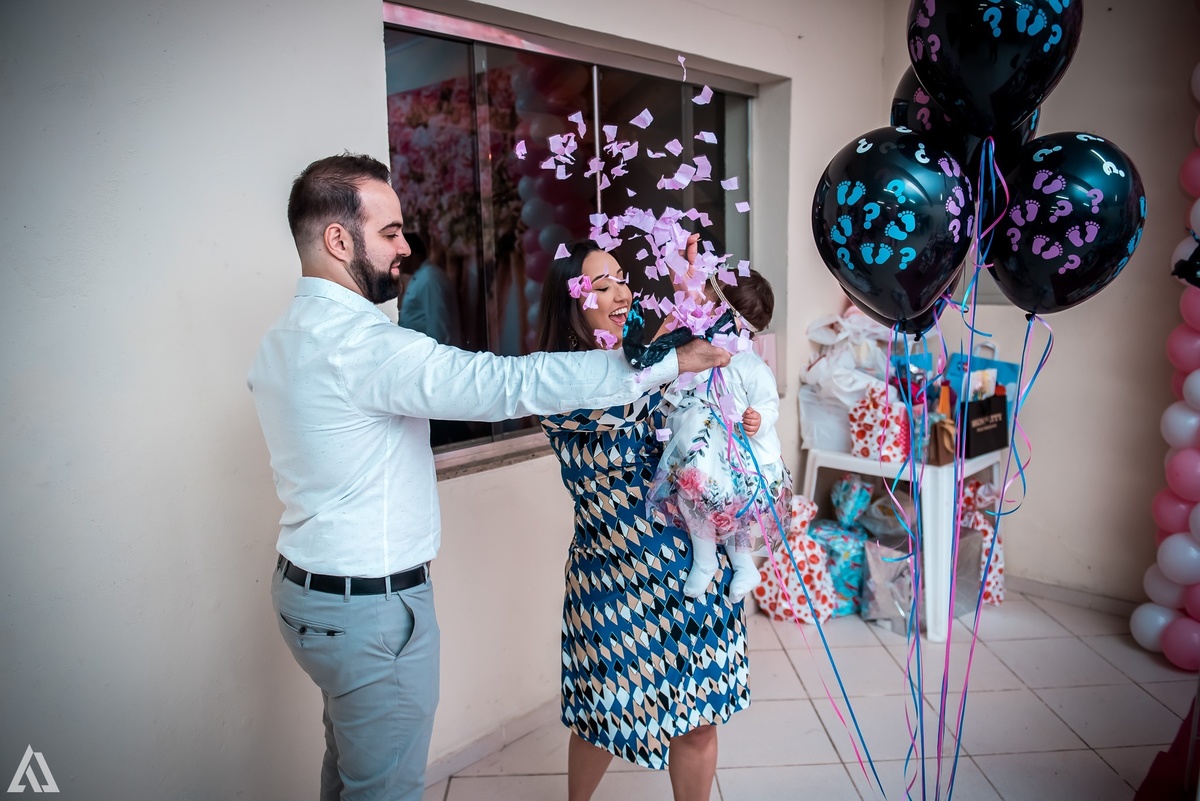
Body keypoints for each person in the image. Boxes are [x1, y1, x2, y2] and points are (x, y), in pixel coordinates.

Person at [246, 153, 730, 801]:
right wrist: (666, 364)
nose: (406, 247)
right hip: (369, 608)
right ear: (338, 239)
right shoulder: (363, 346)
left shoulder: (283, 338)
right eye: (390, 232)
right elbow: (503, 383)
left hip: (308, 595)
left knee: (349, 770)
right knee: (382, 789)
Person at [534, 241, 750, 801]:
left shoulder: (644, 359)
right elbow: (626, 395)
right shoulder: (557, 382)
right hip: (612, 577)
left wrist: (689, 295)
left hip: (691, 567)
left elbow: (698, 361)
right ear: (570, 303)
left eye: (621, 279)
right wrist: (676, 343)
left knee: (700, 718)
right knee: (602, 715)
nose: (620, 293)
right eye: (600, 286)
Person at [650, 268, 791, 602]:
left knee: (734, 510)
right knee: (693, 498)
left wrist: (759, 418)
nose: (706, 313)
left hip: (738, 455)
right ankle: (705, 560)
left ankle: (744, 565)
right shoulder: (699, 352)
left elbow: (769, 404)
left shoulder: (751, 366)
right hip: (702, 451)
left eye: (713, 307)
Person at [397, 230, 462, 348]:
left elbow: (439, 326)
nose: (397, 261)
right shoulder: (423, 277)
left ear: (410, 253)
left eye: (399, 256)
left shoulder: (429, 279)